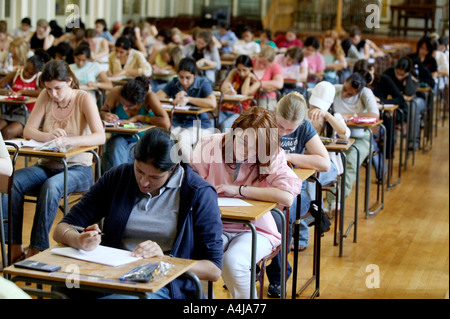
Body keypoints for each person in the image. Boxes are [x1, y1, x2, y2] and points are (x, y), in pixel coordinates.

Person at [53, 127, 223, 299]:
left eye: (155, 178)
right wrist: (78, 240)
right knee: (63, 287)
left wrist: (164, 261)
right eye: (139, 171)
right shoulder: (118, 177)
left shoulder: (199, 193)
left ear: (173, 168)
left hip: (164, 284)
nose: (144, 182)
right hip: (111, 275)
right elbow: (62, 228)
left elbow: (213, 269)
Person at [191, 106, 302, 299]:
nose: (246, 151)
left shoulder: (272, 153)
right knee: (199, 260)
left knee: (233, 262)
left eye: (255, 148)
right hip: (213, 225)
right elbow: (191, 185)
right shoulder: (210, 144)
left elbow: (287, 196)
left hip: (255, 228)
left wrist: (240, 190)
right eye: (242, 142)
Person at [1, 60, 106, 263]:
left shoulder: (84, 98)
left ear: (69, 81)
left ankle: (36, 250)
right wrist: (49, 136)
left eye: (58, 88)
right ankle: (14, 247)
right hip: (48, 164)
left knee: (50, 187)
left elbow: (100, 136)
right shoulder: (45, 96)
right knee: (13, 181)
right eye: (48, 89)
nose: (53, 94)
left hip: (79, 168)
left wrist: (72, 140)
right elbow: (28, 130)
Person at [265, 91, 331, 298]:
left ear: (300, 123)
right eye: (281, 126)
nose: (284, 132)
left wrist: (289, 156)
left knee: (278, 217)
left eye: (290, 129)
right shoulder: (264, 122)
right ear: (275, 112)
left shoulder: (304, 128)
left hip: (295, 192)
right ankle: (251, 265)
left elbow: (324, 162)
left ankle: (278, 276)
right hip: (263, 186)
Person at [325, 70, 379, 210]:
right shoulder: (335, 89)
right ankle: (330, 200)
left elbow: (374, 114)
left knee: (350, 163)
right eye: (344, 90)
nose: (344, 94)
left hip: (361, 137)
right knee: (331, 165)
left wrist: (350, 115)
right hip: (338, 137)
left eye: (349, 94)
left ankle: (336, 201)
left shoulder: (365, 93)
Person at [100, 76, 170, 172]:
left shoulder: (149, 97)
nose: (124, 108)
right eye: (122, 103)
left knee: (127, 153)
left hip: (142, 138)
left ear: (140, 102)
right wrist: (105, 115)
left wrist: (140, 118)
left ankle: (119, 179)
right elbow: (102, 111)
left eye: (129, 106)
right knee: (115, 144)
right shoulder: (116, 91)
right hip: (120, 136)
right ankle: (118, 180)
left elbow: (165, 122)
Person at [156, 57, 217, 144]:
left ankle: (192, 158)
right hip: (178, 123)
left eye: (188, 78)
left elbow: (212, 103)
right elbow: (155, 98)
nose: (184, 81)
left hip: (199, 125)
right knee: (165, 142)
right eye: (181, 77)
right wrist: (173, 100)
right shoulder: (174, 83)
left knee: (181, 141)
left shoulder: (203, 83)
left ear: (195, 75)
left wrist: (188, 99)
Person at [0, 53, 50, 139]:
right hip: (12, 111)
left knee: (7, 132)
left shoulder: (39, 77)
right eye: (26, 69)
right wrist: (5, 92)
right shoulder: (16, 73)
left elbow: (44, 91)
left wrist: (22, 92)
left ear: (37, 72)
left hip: (29, 113)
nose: (26, 74)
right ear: (25, 63)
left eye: (31, 73)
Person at [381, 56, 426, 150]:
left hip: (412, 102)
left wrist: (408, 78)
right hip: (395, 103)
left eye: (402, 74)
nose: (399, 76)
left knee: (413, 106)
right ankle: (391, 141)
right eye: (397, 73)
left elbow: (410, 92)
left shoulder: (413, 74)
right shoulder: (388, 73)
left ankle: (413, 142)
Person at [219, 54, 261, 131]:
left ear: (250, 68)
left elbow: (244, 93)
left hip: (242, 112)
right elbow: (223, 88)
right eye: (239, 70)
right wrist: (229, 90)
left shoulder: (256, 82)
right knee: (214, 122)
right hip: (227, 108)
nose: (241, 73)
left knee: (225, 125)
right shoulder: (234, 73)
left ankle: (226, 142)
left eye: (244, 70)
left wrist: (248, 77)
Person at [252, 46, 284, 110]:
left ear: (271, 62)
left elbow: (279, 84)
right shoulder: (251, 62)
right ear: (257, 57)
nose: (261, 65)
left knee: (262, 111)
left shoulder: (274, 66)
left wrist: (259, 83)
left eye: (265, 64)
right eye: (260, 62)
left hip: (266, 97)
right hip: (250, 96)